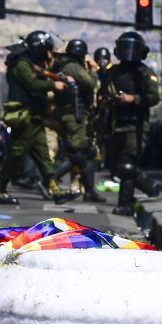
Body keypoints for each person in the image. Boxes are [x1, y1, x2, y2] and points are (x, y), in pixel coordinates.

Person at [0, 31, 77, 205]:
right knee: (15, 154)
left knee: (43, 154)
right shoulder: (22, 63)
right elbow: (32, 83)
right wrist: (54, 84)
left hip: (34, 116)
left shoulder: (30, 62)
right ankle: (0, 189)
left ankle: (55, 190)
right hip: (24, 115)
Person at [101, 31, 162, 216]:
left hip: (134, 126)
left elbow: (154, 97)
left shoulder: (145, 73)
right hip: (114, 123)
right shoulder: (113, 71)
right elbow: (105, 91)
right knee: (115, 165)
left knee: (126, 166)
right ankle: (150, 185)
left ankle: (125, 205)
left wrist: (132, 99)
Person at [53, 39, 105, 203]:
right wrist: (94, 71)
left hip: (77, 115)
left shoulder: (68, 66)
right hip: (75, 115)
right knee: (80, 152)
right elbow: (90, 83)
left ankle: (89, 190)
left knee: (85, 152)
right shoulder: (73, 67)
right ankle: (50, 179)